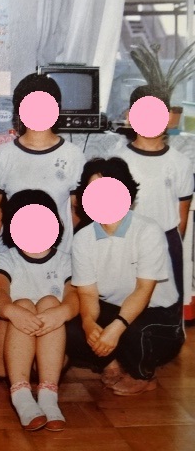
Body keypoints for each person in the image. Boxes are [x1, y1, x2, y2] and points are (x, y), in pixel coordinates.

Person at [66, 158, 183, 396]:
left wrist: (116, 328)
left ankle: (143, 375)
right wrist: (89, 324)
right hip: (112, 309)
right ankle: (109, 363)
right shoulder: (83, 238)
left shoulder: (148, 230)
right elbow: (87, 293)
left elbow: (143, 290)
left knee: (135, 332)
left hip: (156, 313)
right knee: (69, 328)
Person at [0, 190, 78, 431]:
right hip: (6, 360)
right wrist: (13, 311)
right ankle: (21, 396)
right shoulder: (6, 259)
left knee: (51, 302)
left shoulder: (64, 260)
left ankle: (48, 396)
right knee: (23, 305)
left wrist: (60, 313)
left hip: (48, 360)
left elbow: (73, 297)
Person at [0, 73, 85, 257]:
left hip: (57, 256)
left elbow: (76, 209)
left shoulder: (73, 155)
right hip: (13, 256)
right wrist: (15, 237)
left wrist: (52, 238)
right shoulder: (4, 154)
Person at [112, 85, 193, 302]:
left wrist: (166, 245)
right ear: (130, 117)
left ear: (169, 118)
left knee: (166, 305)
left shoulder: (180, 163)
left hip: (167, 243)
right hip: (127, 243)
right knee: (127, 304)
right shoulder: (118, 161)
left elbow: (182, 216)